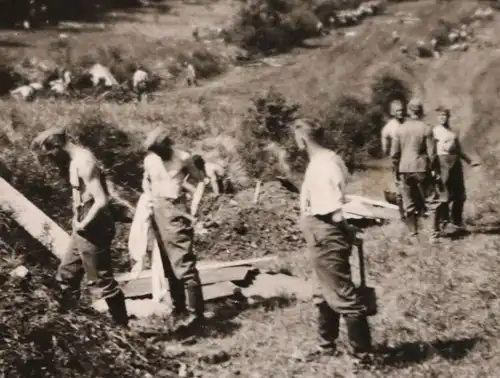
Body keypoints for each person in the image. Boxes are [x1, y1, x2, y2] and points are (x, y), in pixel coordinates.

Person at [31, 127, 129, 328]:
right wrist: (77, 218)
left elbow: (101, 200)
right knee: (66, 273)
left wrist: (83, 223)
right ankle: (69, 325)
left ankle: (124, 329)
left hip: (95, 224)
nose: (50, 157)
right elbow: (81, 196)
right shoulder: (74, 161)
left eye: (50, 152)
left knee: (102, 280)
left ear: (58, 146)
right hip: (83, 222)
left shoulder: (84, 162)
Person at [294, 119, 373, 362]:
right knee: (324, 291)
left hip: (326, 232)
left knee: (344, 296)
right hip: (321, 232)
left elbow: (334, 211)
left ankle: (362, 356)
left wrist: (347, 232)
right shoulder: (326, 160)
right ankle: (326, 346)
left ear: (303, 138)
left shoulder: (324, 166)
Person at [142, 127, 207, 330]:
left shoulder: (183, 158)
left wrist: (194, 205)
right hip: (156, 210)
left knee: (183, 261)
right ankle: (179, 308)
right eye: (155, 151)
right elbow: (146, 179)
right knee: (167, 262)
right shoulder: (150, 160)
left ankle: (196, 314)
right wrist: (148, 196)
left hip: (175, 209)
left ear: (168, 144)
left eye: (161, 149)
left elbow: (202, 181)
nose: (159, 154)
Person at [391, 99, 439, 241]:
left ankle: (413, 235)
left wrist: (395, 171)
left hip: (404, 169)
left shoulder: (400, 129)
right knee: (432, 202)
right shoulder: (426, 128)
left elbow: (394, 154)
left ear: (409, 111)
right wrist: (434, 169)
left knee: (408, 203)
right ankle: (433, 236)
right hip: (421, 167)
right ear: (421, 111)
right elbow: (432, 153)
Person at [432, 106, 480, 231]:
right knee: (444, 194)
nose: (443, 117)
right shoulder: (435, 131)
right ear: (437, 117)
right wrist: (433, 167)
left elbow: (458, 149)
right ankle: (444, 221)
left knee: (460, 195)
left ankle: (457, 221)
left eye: (445, 115)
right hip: (442, 163)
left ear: (449, 117)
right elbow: (431, 151)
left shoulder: (453, 131)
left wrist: (469, 161)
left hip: (455, 164)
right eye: (440, 115)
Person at [381, 99, 406, 219]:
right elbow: (385, 148)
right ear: (392, 112)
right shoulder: (389, 128)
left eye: (402, 110)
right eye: (398, 110)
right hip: (398, 160)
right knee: (400, 186)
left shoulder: (408, 123)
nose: (400, 112)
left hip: (411, 157)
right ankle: (403, 214)